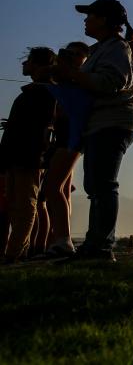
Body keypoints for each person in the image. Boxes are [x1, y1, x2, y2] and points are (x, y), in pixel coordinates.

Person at [50, 0, 133, 262]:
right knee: (96, 185)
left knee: (102, 185)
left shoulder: (116, 48)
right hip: (101, 124)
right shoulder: (103, 49)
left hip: (113, 122)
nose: (85, 20)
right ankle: (95, 245)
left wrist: (72, 74)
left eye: (90, 15)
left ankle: (100, 248)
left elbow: (110, 83)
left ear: (104, 20)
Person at [1, 47, 57, 263]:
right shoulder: (35, 92)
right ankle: (16, 250)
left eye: (28, 60)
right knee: (17, 205)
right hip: (18, 156)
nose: (24, 64)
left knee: (24, 205)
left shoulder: (45, 92)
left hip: (27, 156)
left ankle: (14, 253)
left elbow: (41, 128)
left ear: (38, 64)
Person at [40, 41, 90, 257]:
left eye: (78, 53)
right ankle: (59, 238)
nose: (74, 56)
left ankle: (63, 239)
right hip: (64, 137)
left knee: (53, 187)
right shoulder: (66, 82)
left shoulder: (82, 81)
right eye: (71, 52)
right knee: (60, 191)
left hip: (72, 138)